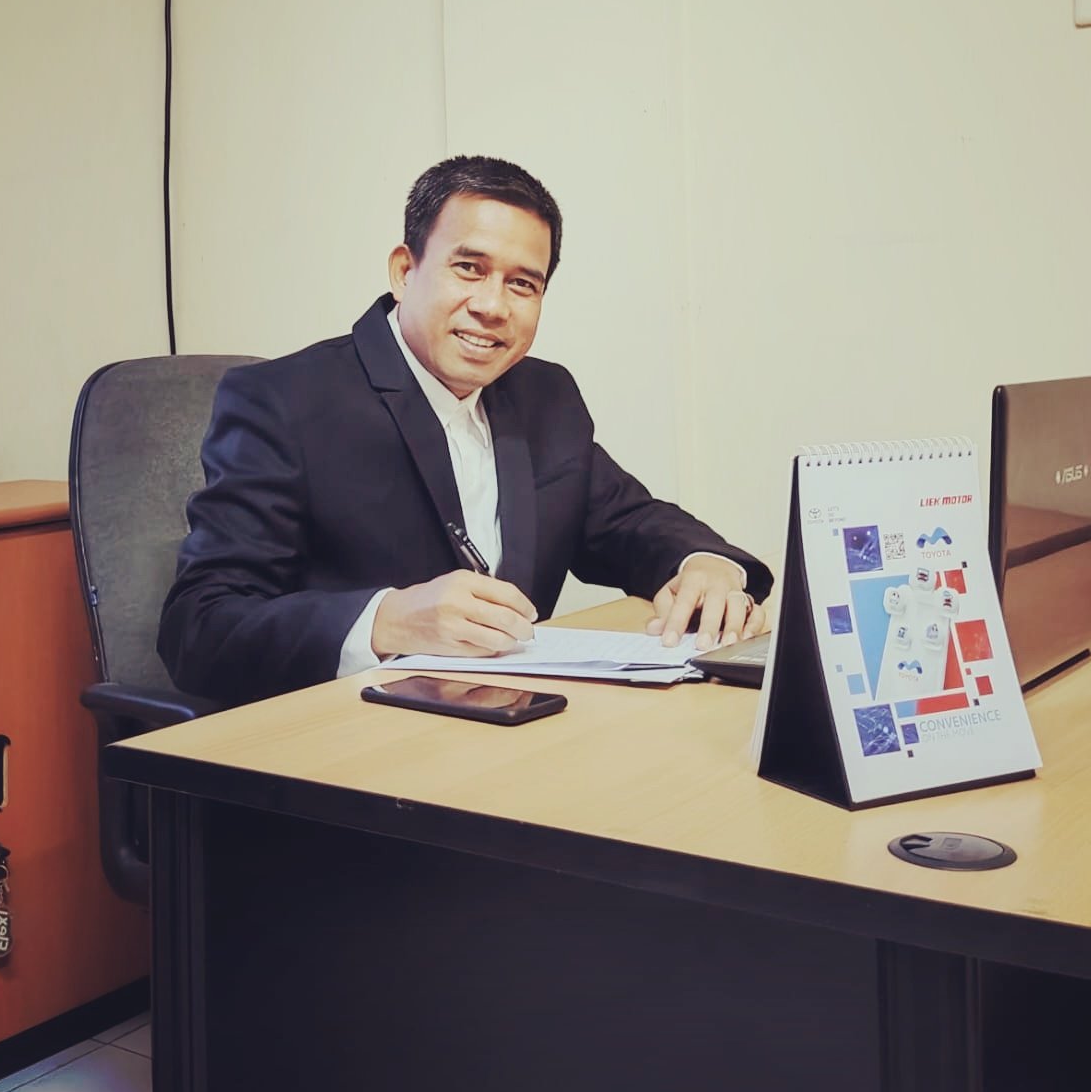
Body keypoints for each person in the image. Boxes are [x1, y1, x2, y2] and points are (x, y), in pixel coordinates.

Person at [159, 155, 772, 705]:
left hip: (506, 729)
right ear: (405, 271)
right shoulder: (283, 400)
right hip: (341, 742)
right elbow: (199, 628)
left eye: (522, 284)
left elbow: (627, 520)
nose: (493, 306)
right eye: (469, 268)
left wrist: (707, 565)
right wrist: (384, 621)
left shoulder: (545, 395)